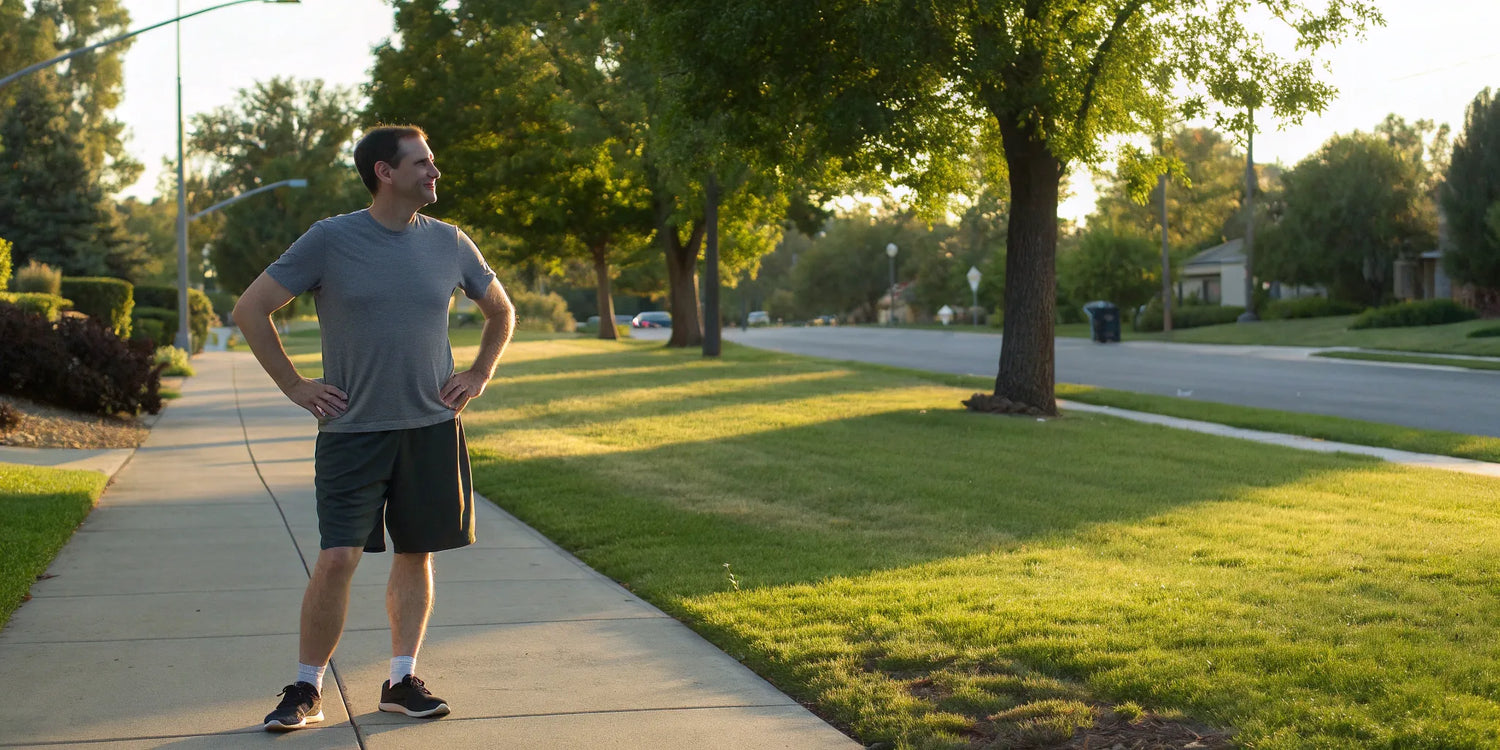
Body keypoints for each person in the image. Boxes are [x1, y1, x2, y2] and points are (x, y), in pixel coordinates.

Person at [232, 124, 515, 732]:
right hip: (353, 432)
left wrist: (479, 373)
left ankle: (401, 680)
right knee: (337, 557)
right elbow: (250, 309)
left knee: (416, 553)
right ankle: (306, 687)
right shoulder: (331, 240)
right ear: (384, 173)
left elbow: (501, 310)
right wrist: (295, 386)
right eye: (422, 163)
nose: (434, 173)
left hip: (431, 428)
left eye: (432, 162)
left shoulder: (449, 242)